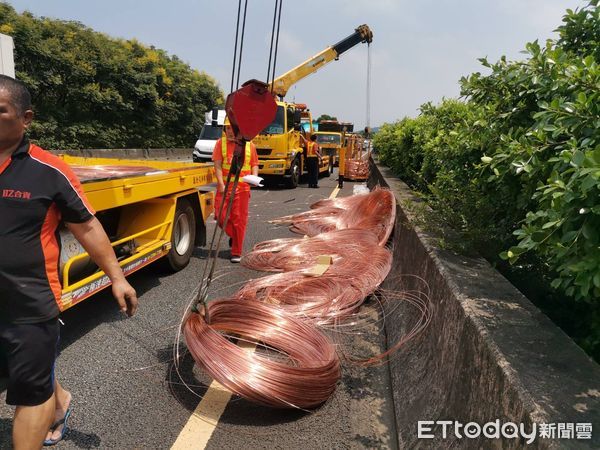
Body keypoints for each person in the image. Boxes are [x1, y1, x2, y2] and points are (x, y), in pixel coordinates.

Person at [0, 75, 138, 448]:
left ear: (25, 118)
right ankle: (60, 399)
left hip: (29, 301)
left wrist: (117, 277)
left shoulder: (48, 170)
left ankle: (48, 405)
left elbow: (88, 227)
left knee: (30, 392)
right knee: (22, 371)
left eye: (0, 111)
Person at [212, 119, 259, 263]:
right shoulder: (221, 143)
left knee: (239, 220)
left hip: (243, 188)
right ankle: (234, 235)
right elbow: (217, 165)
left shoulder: (249, 145)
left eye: (232, 128)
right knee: (220, 216)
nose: (230, 131)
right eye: (227, 128)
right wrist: (220, 183)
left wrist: (255, 177)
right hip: (224, 188)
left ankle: (236, 251)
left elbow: (254, 164)